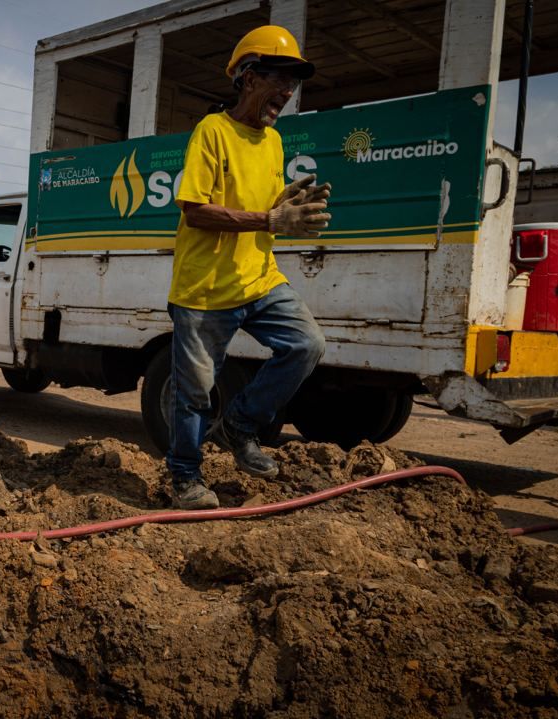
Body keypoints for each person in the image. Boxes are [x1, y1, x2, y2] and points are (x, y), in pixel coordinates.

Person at [166, 25, 331, 510]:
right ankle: (185, 478)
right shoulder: (212, 132)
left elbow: (264, 210)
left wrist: (286, 205)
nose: (288, 91)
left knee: (306, 344)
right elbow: (195, 210)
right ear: (249, 77)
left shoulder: (274, 142)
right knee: (194, 393)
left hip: (258, 278)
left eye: (293, 83)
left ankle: (239, 426)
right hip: (204, 288)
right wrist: (269, 218)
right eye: (280, 79)